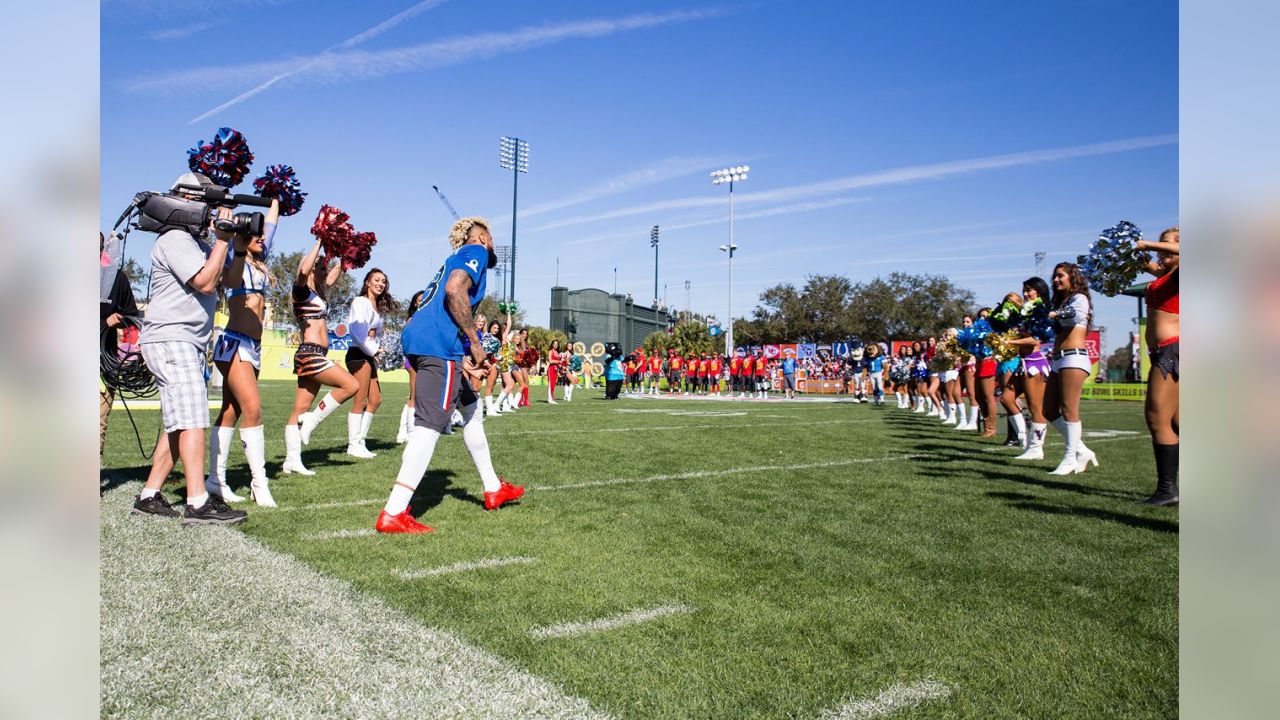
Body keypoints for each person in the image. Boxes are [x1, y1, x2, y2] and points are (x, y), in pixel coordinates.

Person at [377, 216, 523, 534]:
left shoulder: (453, 257)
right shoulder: (478, 251)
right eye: (491, 237)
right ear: (482, 237)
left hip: (428, 341)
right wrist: (473, 340)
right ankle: (394, 510)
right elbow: (454, 289)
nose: (493, 243)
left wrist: (466, 356)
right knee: (430, 425)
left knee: (471, 411)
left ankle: (493, 487)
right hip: (436, 346)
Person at [131, 173, 247, 525]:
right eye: (207, 202)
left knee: (179, 421)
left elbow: (229, 280)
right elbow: (205, 281)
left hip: (186, 341)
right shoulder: (176, 238)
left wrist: (236, 245)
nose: (211, 210)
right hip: (172, 338)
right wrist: (223, 240)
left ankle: (149, 495)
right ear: (184, 199)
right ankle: (197, 502)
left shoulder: (195, 242)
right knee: (193, 416)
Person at [207, 198, 280, 506]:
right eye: (256, 235)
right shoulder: (232, 257)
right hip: (234, 341)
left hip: (253, 347)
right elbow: (231, 282)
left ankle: (215, 480)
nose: (262, 238)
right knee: (253, 408)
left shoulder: (261, 261)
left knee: (231, 410)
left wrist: (273, 198)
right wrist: (236, 243)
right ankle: (259, 483)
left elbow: (273, 220)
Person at [283, 235, 361, 475]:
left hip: (314, 353)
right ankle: (312, 421)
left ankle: (291, 460)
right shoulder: (300, 291)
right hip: (310, 353)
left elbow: (337, 271)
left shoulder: (319, 293)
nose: (323, 269)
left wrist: (347, 255)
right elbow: (305, 268)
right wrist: (319, 239)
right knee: (351, 385)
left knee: (298, 409)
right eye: (319, 265)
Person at [1136, 227, 1180, 504]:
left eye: (1166, 244)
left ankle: (1167, 490)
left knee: (1156, 417)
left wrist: (1146, 243)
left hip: (1172, 350)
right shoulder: (1167, 276)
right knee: (1177, 421)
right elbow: (1154, 269)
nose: (1159, 249)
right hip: (1163, 351)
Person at [1043, 262, 1099, 475]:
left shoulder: (1079, 298)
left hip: (1074, 358)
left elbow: (1076, 315)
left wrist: (1054, 314)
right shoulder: (1060, 302)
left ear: (1072, 277)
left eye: (1060, 276)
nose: (1056, 280)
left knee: (1069, 409)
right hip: (1058, 359)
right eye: (1055, 277)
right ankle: (1082, 451)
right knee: (1048, 409)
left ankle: (1069, 458)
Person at [344, 267, 393, 459]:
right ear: (367, 282)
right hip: (358, 353)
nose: (380, 284)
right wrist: (373, 349)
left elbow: (372, 334)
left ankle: (360, 440)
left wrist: (379, 350)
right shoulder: (361, 301)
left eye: (383, 281)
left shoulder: (375, 306)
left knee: (375, 399)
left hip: (368, 355)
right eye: (377, 280)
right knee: (361, 400)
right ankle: (353, 444)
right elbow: (356, 330)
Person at [100, 232, 140, 462]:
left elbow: (132, 317)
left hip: (103, 366)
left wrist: (121, 323)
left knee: (97, 423)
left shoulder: (117, 279)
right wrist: (104, 322)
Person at [1011, 278, 1054, 460]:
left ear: (1040, 291)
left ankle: (1036, 448)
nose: (1026, 294)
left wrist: (1010, 341)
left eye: (1030, 290)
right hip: (1023, 362)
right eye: (1025, 290)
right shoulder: (1026, 311)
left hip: (1035, 363)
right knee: (1006, 397)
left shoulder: (1040, 311)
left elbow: (1036, 340)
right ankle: (1023, 437)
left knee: (1035, 408)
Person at [396, 290, 425, 443]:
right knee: (414, 395)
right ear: (415, 302)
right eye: (420, 300)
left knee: (415, 395)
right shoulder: (413, 319)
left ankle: (403, 431)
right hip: (413, 359)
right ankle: (409, 431)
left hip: (421, 359)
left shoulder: (427, 318)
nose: (422, 302)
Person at [546, 339, 563, 404]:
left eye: (557, 344)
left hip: (556, 369)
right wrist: (558, 361)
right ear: (552, 344)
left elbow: (560, 362)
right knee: (551, 384)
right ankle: (550, 399)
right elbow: (550, 361)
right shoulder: (550, 351)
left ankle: (552, 398)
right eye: (554, 344)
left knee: (553, 385)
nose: (555, 345)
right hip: (551, 369)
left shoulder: (558, 353)